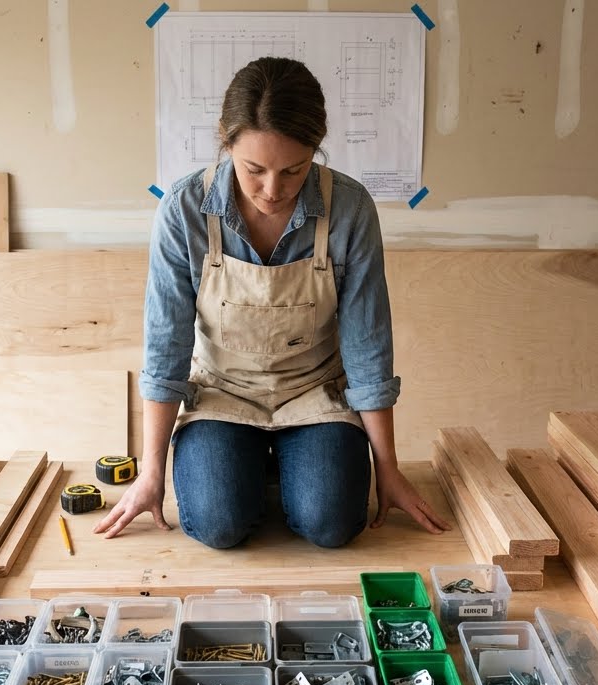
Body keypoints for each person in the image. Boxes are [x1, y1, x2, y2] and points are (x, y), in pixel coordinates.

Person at [94, 57, 449, 548]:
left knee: (332, 525)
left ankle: (284, 465)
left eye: (294, 170)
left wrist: (387, 467)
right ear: (226, 141)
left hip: (315, 394)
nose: (272, 191)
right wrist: (150, 470)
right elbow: (165, 346)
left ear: (316, 149)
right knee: (219, 526)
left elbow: (368, 345)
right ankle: (249, 464)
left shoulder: (350, 208)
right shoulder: (183, 210)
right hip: (222, 393)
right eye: (253, 169)